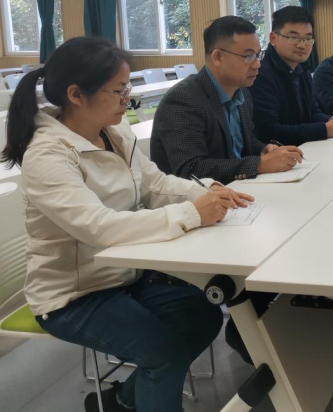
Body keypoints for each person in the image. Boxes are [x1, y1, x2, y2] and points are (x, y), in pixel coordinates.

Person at [1, 37, 251, 412]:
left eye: (127, 88)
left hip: (126, 276)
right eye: (118, 90)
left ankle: (122, 400)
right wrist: (192, 214)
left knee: (203, 317)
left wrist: (207, 189)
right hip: (73, 294)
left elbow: (155, 183)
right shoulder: (48, 155)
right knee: (163, 353)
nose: (127, 99)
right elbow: (99, 227)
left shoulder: (114, 133)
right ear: (76, 94)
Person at [151, 16, 304, 184]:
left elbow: (243, 143)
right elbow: (190, 169)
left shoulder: (242, 93)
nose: (257, 64)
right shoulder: (183, 100)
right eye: (248, 56)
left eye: (258, 55)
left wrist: (263, 150)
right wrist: (259, 164)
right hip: (200, 197)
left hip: (238, 189)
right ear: (218, 57)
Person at [249, 6, 333, 145]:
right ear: (273, 38)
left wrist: (330, 120)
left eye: (307, 39)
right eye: (294, 38)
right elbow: (268, 131)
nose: (302, 45)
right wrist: (325, 129)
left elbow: (312, 113)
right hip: (279, 154)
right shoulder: (260, 75)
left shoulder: (302, 69)